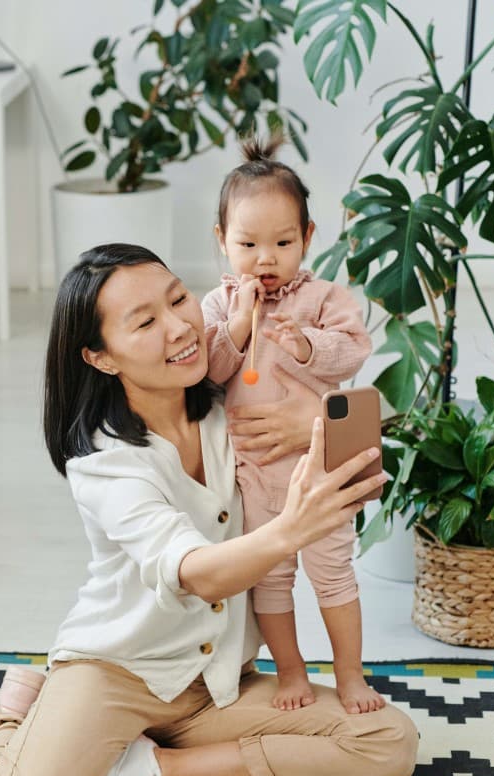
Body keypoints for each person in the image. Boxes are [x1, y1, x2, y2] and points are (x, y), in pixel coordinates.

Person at [0, 243, 418, 776]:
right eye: (146, 322)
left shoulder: (232, 409)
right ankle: (20, 711)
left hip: (216, 685)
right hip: (116, 673)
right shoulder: (104, 461)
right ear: (100, 357)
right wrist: (290, 529)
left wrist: (313, 417)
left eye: (179, 298)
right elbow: (196, 573)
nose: (181, 327)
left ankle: (153, 766)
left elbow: (349, 448)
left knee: (387, 743)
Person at [202, 134, 382, 715]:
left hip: (318, 470)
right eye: (247, 243)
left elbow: (353, 351)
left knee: (333, 576)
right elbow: (208, 368)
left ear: (306, 238)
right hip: (254, 479)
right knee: (270, 581)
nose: (265, 259)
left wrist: (306, 345)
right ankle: (291, 672)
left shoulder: (324, 297)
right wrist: (236, 327)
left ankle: (351, 675)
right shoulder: (218, 305)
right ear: (221, 242)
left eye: (282, 242)